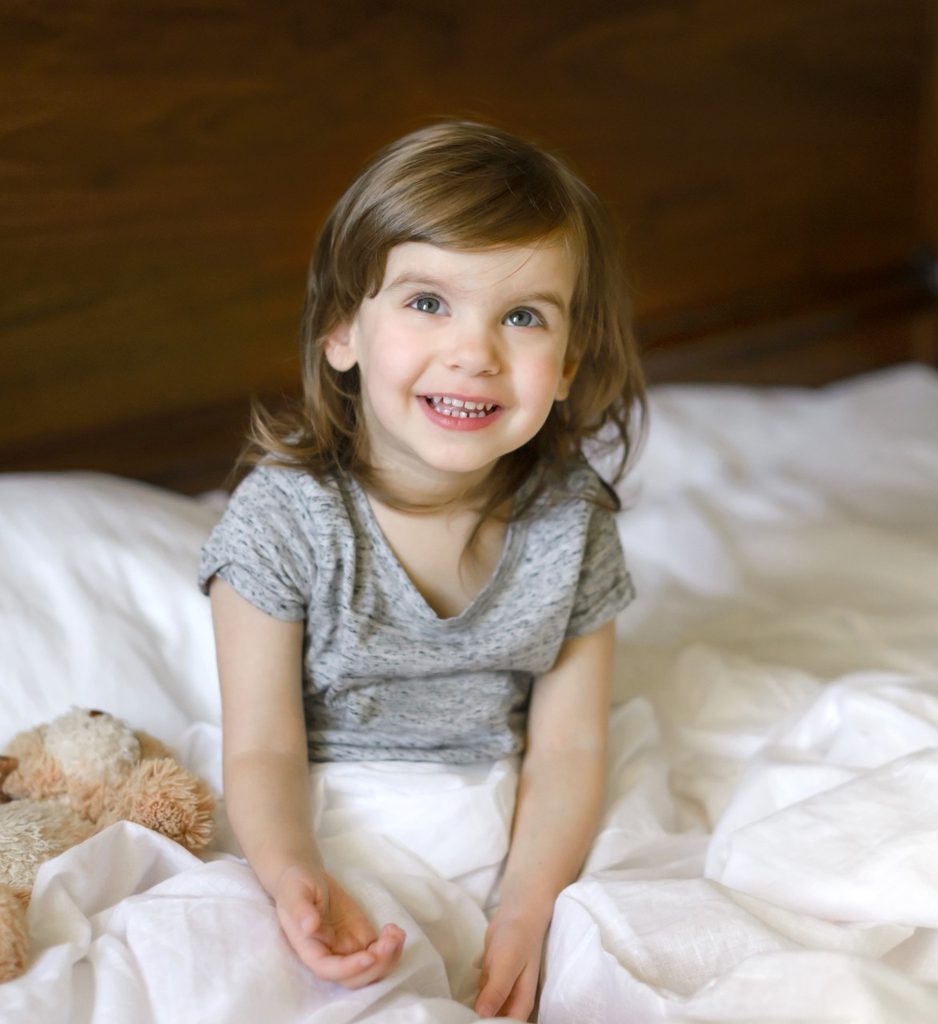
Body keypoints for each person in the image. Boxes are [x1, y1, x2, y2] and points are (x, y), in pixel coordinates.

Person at [198, 119, 646, 1021]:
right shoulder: (285, 524)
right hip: (320, 813)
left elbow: (568, 748)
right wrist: (295, 877)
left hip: (503, 823)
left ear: (567, 365)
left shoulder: (571, 524)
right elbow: (263, 748)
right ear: (340, 331)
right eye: (428, 302)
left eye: (523, 317)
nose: (474, 351)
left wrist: (527, 909)